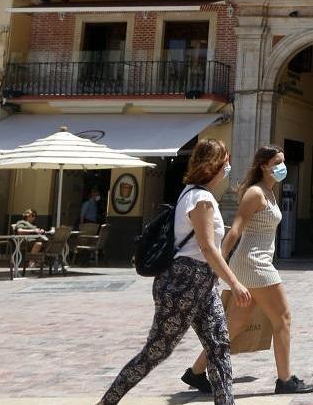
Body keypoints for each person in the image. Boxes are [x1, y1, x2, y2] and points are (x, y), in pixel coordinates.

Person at [99, 139, 251, 405]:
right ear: (214, 164)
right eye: (226, 160)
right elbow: (207, 247)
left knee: (219, 346)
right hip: (184, 282)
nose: (229, 165)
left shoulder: (194, 194)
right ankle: (107, 402)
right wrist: (235, 283)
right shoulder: (200, 198)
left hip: (202, 283)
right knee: (156, 351)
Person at [184, 145, 313, 396]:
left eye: (283, 162)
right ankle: (285, 379)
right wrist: (219, 263)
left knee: (234, 325)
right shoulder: (255, 193)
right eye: (277, 162)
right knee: (283, 319)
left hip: (253, 263)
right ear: (264, 165)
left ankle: (197, 371)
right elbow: (236, 229)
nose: (282, 167)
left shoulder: (269, 191)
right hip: (255, 263)